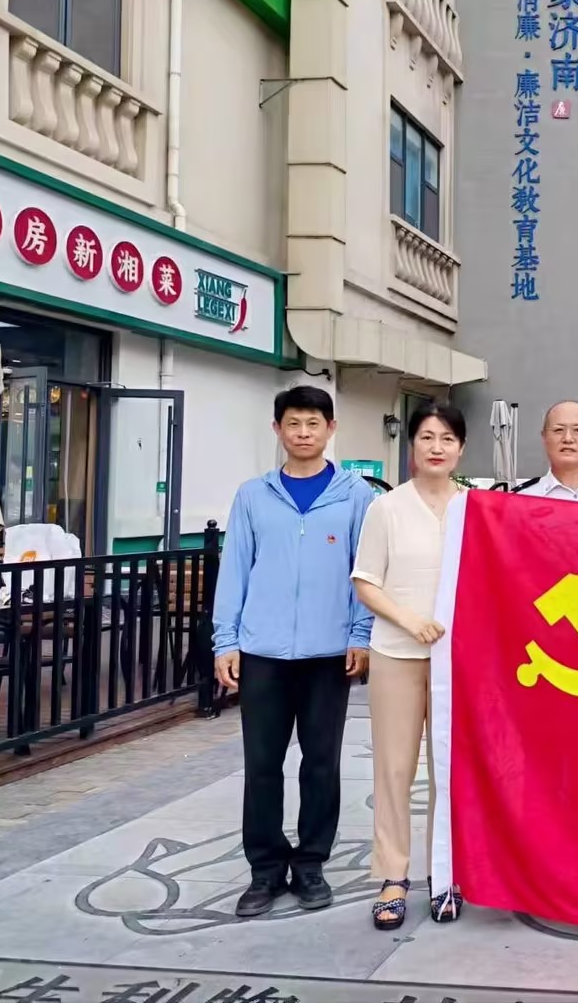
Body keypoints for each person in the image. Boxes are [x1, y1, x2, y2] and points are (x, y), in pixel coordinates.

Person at [213, 386, 375, 917]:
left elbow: (365, 573)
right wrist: (226, 641)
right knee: (262, 765)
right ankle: (264, 870)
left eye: (313, 423)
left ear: (331, 429)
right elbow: (234, 570)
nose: (303, 433)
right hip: (262, 652)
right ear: (277, 429)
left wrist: (360, 635)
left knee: (321, 764)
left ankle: (310, 864)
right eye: (293, 424)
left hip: (329, 655)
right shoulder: (253, 496)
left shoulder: (356, 496)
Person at [351, 401, 468, 930]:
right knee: (395, 769)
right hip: (397, 655)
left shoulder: (475, 508)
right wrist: (410, 620)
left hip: (457, 662)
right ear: (412, 446)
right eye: (426, 437)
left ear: (461, 448)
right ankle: (393, 877)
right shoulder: (387, 508)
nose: (436, 447)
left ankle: (445, 875)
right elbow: (365, 581)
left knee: (450, 771)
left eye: (446, 438)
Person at [512, 400, 578, 503]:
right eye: (559, 430)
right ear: (544, 437)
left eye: (577, 430)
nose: (568, 439)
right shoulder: (521, 498)